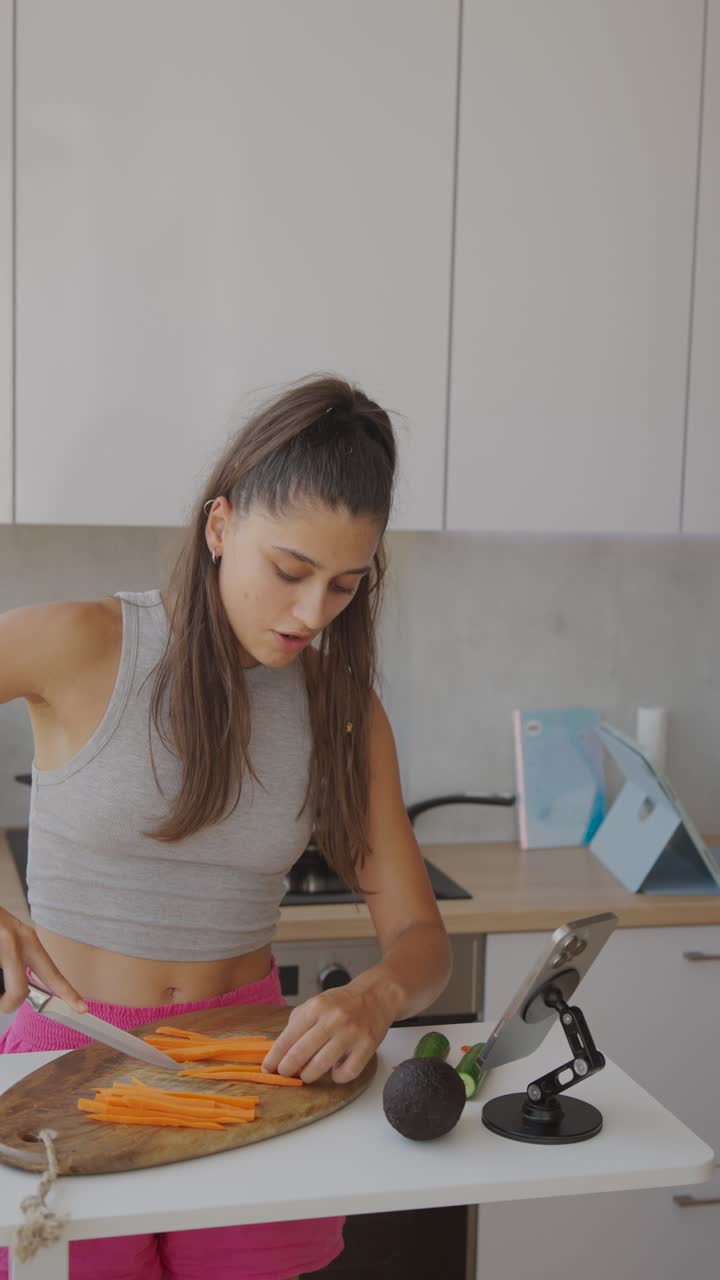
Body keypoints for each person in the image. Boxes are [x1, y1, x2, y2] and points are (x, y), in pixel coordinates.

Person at [0, 374, 452, 1280]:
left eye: (343, 587)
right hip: (66, 1064)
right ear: (220, 526)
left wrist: (374, 997)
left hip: (254, 1071)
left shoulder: (342, 708)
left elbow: (418, 936)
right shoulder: (82, 642)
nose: (310, 614)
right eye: (289, 571)